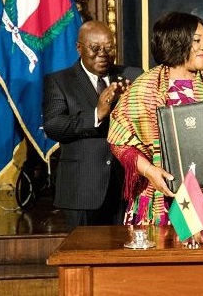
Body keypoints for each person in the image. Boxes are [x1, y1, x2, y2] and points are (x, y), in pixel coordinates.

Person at [107, 12, 203, 226]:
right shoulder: (143, 88)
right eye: (197, 41)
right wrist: (149, 171)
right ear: (176, 41)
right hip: (162, 196)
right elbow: (120, 140)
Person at [43, 20, 144, 230]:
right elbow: (53, 125)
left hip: (126, 185)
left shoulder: (133, 76)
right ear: (79, 48)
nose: (103, 53)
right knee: (83, 254)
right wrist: (96, 114)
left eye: (108, 47)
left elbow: (148, 120)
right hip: (82, 189)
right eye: (95, 48)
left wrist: (132, 102)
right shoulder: (60, 81)